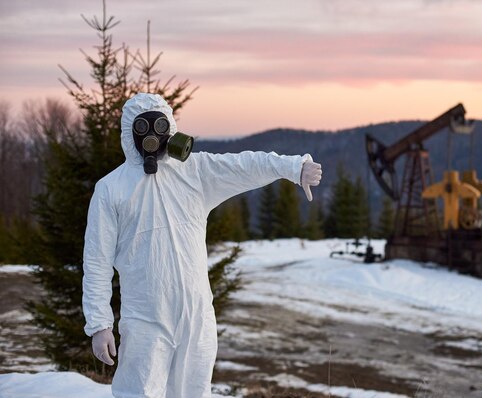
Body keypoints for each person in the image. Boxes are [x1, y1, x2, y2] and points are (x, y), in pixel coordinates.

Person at [82, 93, 322, 398]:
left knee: (195, 392)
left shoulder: (195, 172)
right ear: (131, 132)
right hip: (146, 320)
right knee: (139, 392)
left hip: (197, 317)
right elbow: (97, 262)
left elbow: (244, 166)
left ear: (171, 129)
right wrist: (100, 324)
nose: (153, 135)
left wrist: (293, 168)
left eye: (160, 125)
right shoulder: (111, 189)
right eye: (144, 127)